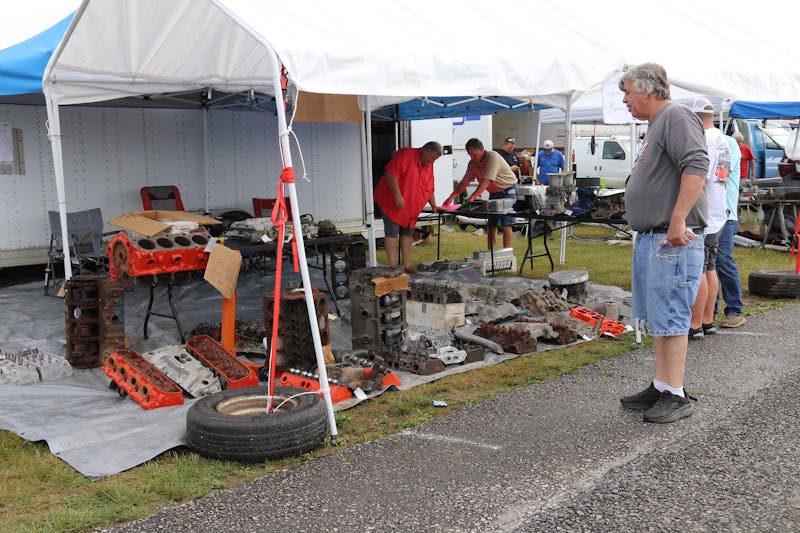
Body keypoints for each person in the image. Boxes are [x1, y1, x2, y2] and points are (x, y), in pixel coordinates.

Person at [618, 63, 708, 424]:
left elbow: (696, 166)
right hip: (653, 237)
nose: (625, 100)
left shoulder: (676, 116)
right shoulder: (658, 124)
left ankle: (676, 392)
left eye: (628, 92)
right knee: (659, 315)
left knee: (671, 314)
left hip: (671, 239)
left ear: (647, 89)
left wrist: (678, 219)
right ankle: (662, 384)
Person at [687, 96, 729, 340]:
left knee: (699, 269)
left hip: (705, 213)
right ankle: (707, 320)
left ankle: (695, 324)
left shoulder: (704, 139)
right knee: (710, 267)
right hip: (718, 211)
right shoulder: (722, 138)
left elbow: (699, 177)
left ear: (695, 116)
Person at [373, 141, 442, 273]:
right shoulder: (405, 155)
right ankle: (393, 266)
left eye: (435, 159)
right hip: (392, 202)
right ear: (426, 151)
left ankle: (406, 265)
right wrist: (397, 196)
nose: (433, 162)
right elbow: (390, 174)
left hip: (410, 207)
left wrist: (433, 205)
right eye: (433, 158)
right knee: (392, 232)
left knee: (407, 233)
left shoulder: (429, 164)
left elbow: (429, 187)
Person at [443, 138, 517, 249]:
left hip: (508, 189)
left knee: (506, 223)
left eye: (475, 155)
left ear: (482, 150)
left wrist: (472, 197)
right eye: (470, 155)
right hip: (494, 192)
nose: (473, 158)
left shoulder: (493, 157)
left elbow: (486, 181)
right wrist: (451, 197)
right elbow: (464, 182)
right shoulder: (472, 163)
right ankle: (491, 253)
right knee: (492, 224)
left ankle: (507, 252)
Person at [715, 134, 747, 328]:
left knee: (723, 261)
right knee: (707, 266)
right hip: (707, 216)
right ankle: (708, 313)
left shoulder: (728, 143)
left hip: (725, 215)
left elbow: (722, 173)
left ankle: (735, 310)